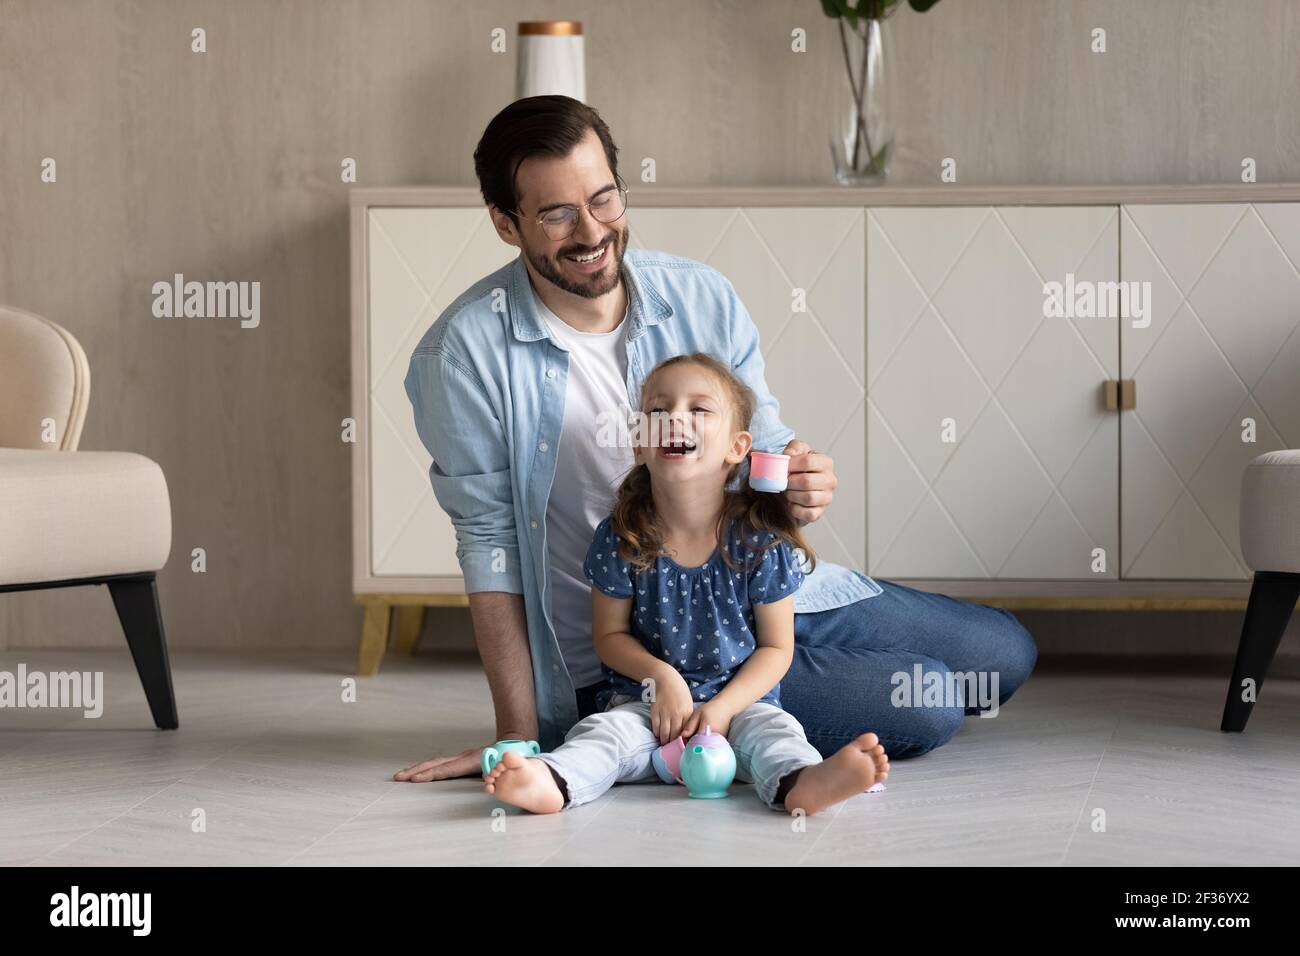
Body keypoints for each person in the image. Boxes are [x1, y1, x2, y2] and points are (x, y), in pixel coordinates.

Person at [396, 95, 1036, 782]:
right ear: (504, 223)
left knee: (1001, 653)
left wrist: (800, 477)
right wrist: (519, 735)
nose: (591, 231)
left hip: (759, 594)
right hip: (637, 653)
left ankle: (760, 705)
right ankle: (722, 726)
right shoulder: (462, 356)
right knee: (931, 700)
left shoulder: (700, 296)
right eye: (556, 213)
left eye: (604, 199)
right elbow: (489, 549)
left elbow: (766, 447)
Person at [483, 353, 890, 815]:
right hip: (646, 704)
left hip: (739, 705)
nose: (675, 418)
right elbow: (608, 636)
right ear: (639, 442)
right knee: (604, 735)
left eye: (699, 410)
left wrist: (721, 710)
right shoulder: (621, 537)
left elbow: (778, 649)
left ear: (737, 448)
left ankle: (804, 781)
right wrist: (662, 679)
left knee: (776, 736)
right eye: (658, 411)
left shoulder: (760, 541)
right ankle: (550, 781)